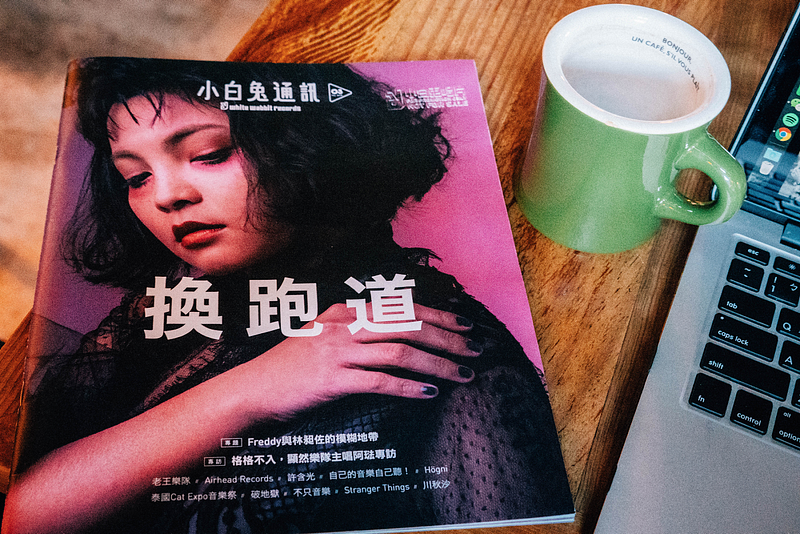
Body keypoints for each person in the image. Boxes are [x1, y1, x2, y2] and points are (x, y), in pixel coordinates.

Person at [2, 58, 572, 534]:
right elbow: (25, 512)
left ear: (310, 145)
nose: (166, 196)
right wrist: (255, 387)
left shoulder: (446, 356)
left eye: (209, 153)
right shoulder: (178, 301)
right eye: (136, 177)